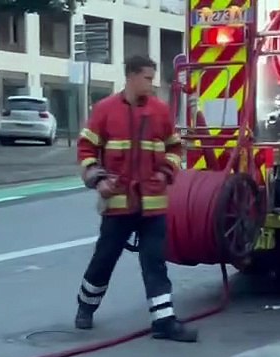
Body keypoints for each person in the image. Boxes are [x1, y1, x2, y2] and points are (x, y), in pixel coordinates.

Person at [73, 55, 196, 342]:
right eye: (148, 79)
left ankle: (164, 322)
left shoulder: (160, 112)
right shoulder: (105, 111)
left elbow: (175, 149)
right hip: (118, 204)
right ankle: (85, 307)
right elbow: (86, 149)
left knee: (155, 263)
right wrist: (98, 179)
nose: (152, 85)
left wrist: (166, 174)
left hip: (153, 205)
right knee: (104, 259)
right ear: (130, 76)